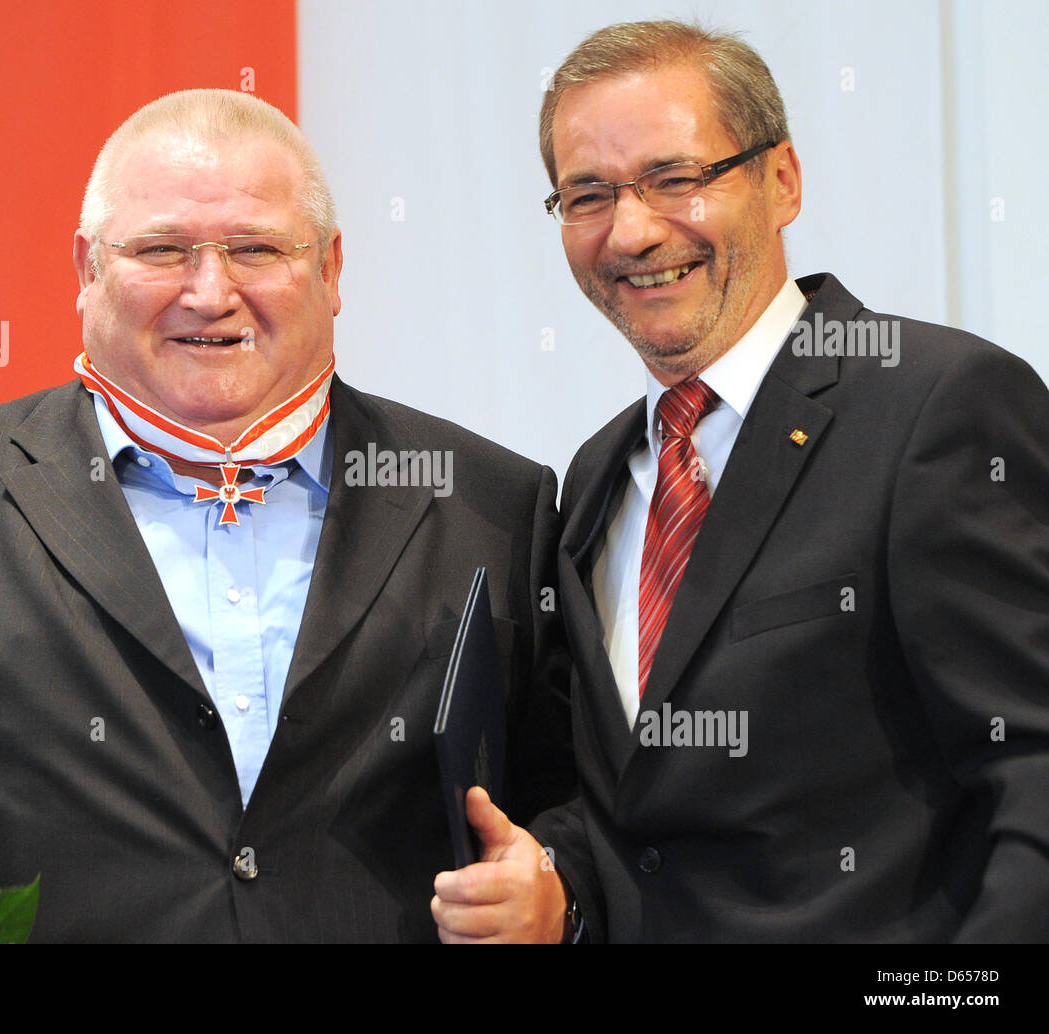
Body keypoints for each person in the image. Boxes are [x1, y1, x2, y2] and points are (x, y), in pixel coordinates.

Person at [0, 89, 573, 942]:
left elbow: (577, 810)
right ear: (87, 270)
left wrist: (558, 892)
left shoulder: (490, 501)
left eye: (255, 248)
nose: (210, 292)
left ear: (331, 271)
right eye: (161, 249)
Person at [431, 20, 1049, 942]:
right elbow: (627, 816)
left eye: (676, 179)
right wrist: (556, 891)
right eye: (587, 194)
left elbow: (1033, 773)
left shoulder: (936, 406)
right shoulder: (596, 483)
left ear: (782, 180)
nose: (632, 231)